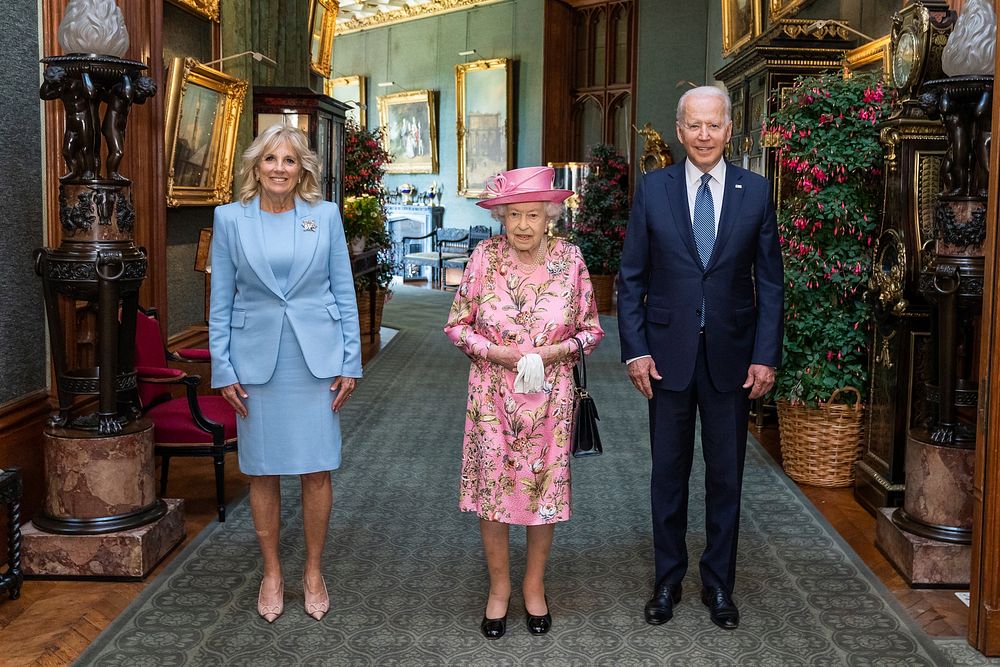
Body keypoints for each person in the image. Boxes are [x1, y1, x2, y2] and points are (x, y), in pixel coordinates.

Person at [617, 86, 784, 631]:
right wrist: (635, 349)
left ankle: (719, 585)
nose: (705, 135)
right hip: (665, 359)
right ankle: (667, 581)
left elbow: (771, 284)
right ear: (679, 129)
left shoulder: (756, 192)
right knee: (667, 474)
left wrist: (765, 355)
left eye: (715, 125)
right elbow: (631, 278)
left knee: (726, 477)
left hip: (733, 360)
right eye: (695, 125)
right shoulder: (653, 189)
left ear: (730, 130)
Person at [209, 124, 362, 623]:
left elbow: (343, 290)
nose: (279, 168)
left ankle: (313, 570)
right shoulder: (229, 220)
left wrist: (350, 361)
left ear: (303, 171)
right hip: (255, 364)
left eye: (290, 160)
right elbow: (221, 300)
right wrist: (222, 366)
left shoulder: (326, 217)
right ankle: (272, 571)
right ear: (255, 167)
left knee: (317, 468)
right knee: (262, 469)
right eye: (270, 159)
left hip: (316, 361)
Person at [444, 166, 604, 639]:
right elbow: (457, 325)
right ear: (501, 217)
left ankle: (534, 586)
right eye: (513, 215)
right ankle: (499, 589)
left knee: (542, 492)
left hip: (551, 398)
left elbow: (592, 331)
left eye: (533, 215)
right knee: (493, 495)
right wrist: (498, 353)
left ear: (550, 214)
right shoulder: (482, 257)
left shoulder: (570, 259)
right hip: (492, 395)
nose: (522, 226)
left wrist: (550, 353)